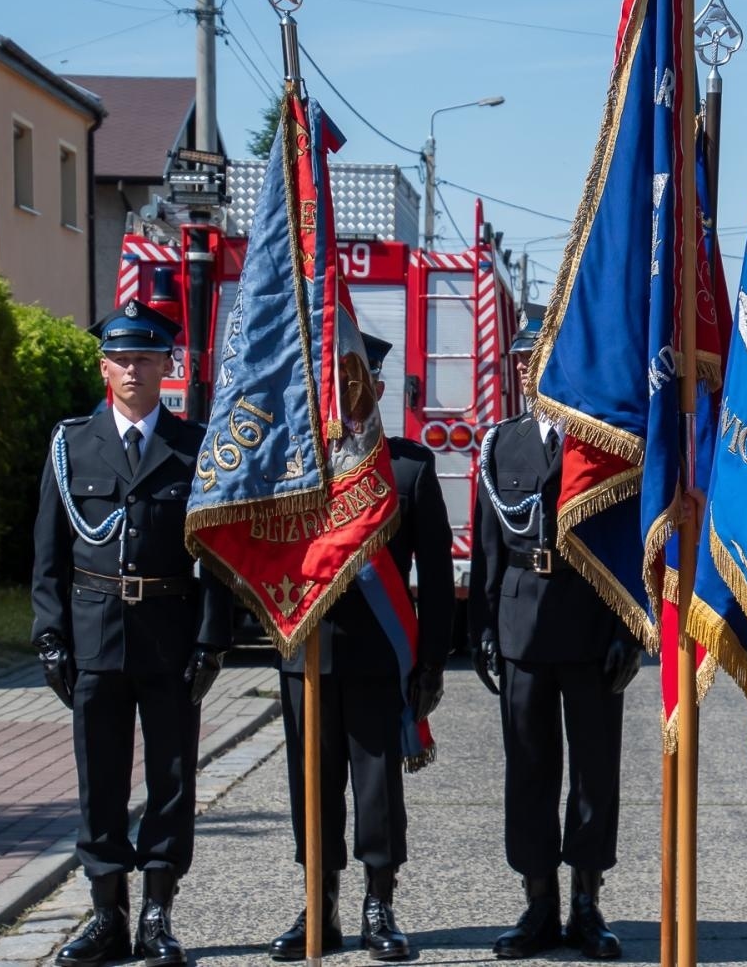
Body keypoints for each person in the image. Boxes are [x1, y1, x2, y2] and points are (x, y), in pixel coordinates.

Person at [31, 301, 232, 967]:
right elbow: (49, 556)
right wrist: (51, 635)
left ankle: (156, 913)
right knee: (101, 778)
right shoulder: (70, 446)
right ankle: (104, 914)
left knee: (173, 778)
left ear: (167, 365)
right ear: (103, 367)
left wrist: (211, 639)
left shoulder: (194, 447)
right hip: (95, 635)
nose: (133, 369)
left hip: (170, 634)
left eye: (146, 357)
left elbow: (218, 560)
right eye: (121, 357)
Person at [269, 333, 454, 963]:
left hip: (379, 655)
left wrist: (430, 661)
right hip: (308, 658)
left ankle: (380, 901)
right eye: (336, 385)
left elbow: (434, 574)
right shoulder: (296, 468)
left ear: (378, 389)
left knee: (376, 787)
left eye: (359, 383)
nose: (349, 396)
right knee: (310, 786)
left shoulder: (407, 469)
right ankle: (319, 900)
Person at [470, 322, 643, 961]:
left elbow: (627, 542)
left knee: (595, 772)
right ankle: (537, 902)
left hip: (592, 621)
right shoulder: (501, 445)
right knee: (530, 768)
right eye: (518, 361)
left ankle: (587, 903)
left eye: (536, 359)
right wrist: (483, 629)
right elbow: (489, 547)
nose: (525, 372)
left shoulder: (598, 444)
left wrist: (631, 629)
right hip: (522, 624)